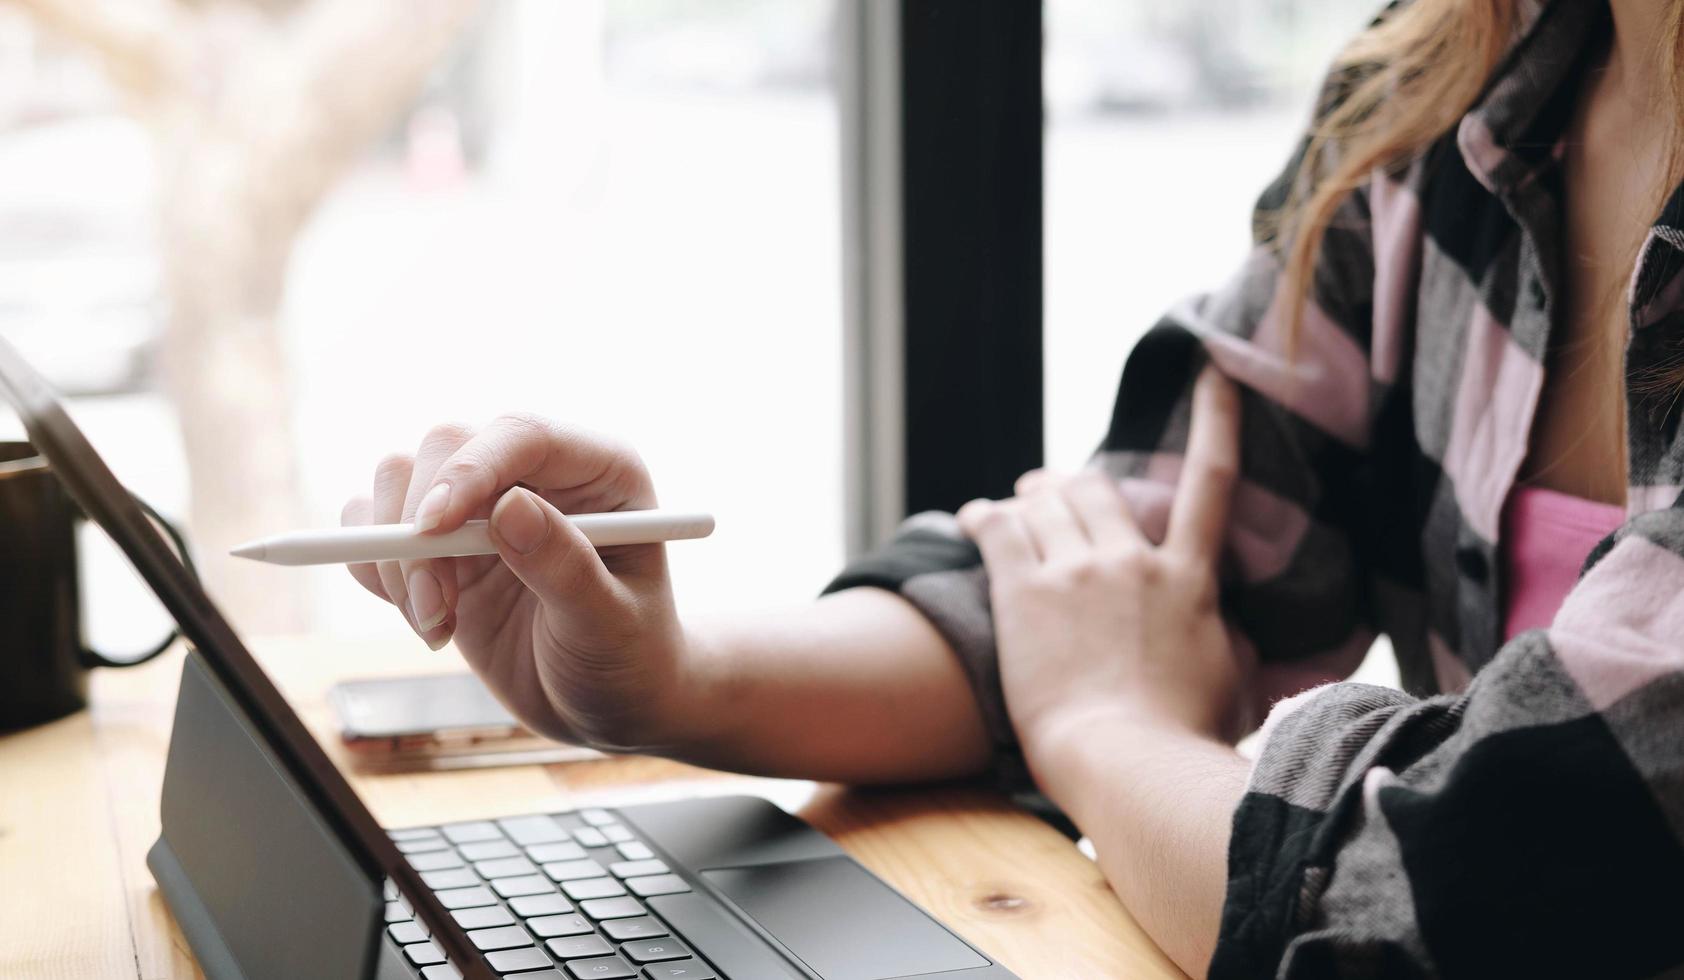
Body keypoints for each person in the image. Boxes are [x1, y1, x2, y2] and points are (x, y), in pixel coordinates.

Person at [342, 1, 1684, 975]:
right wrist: (668, 671)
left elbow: (1464, 896)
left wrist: (1110, 727)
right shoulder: (1456, 89)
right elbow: (1130, 570)